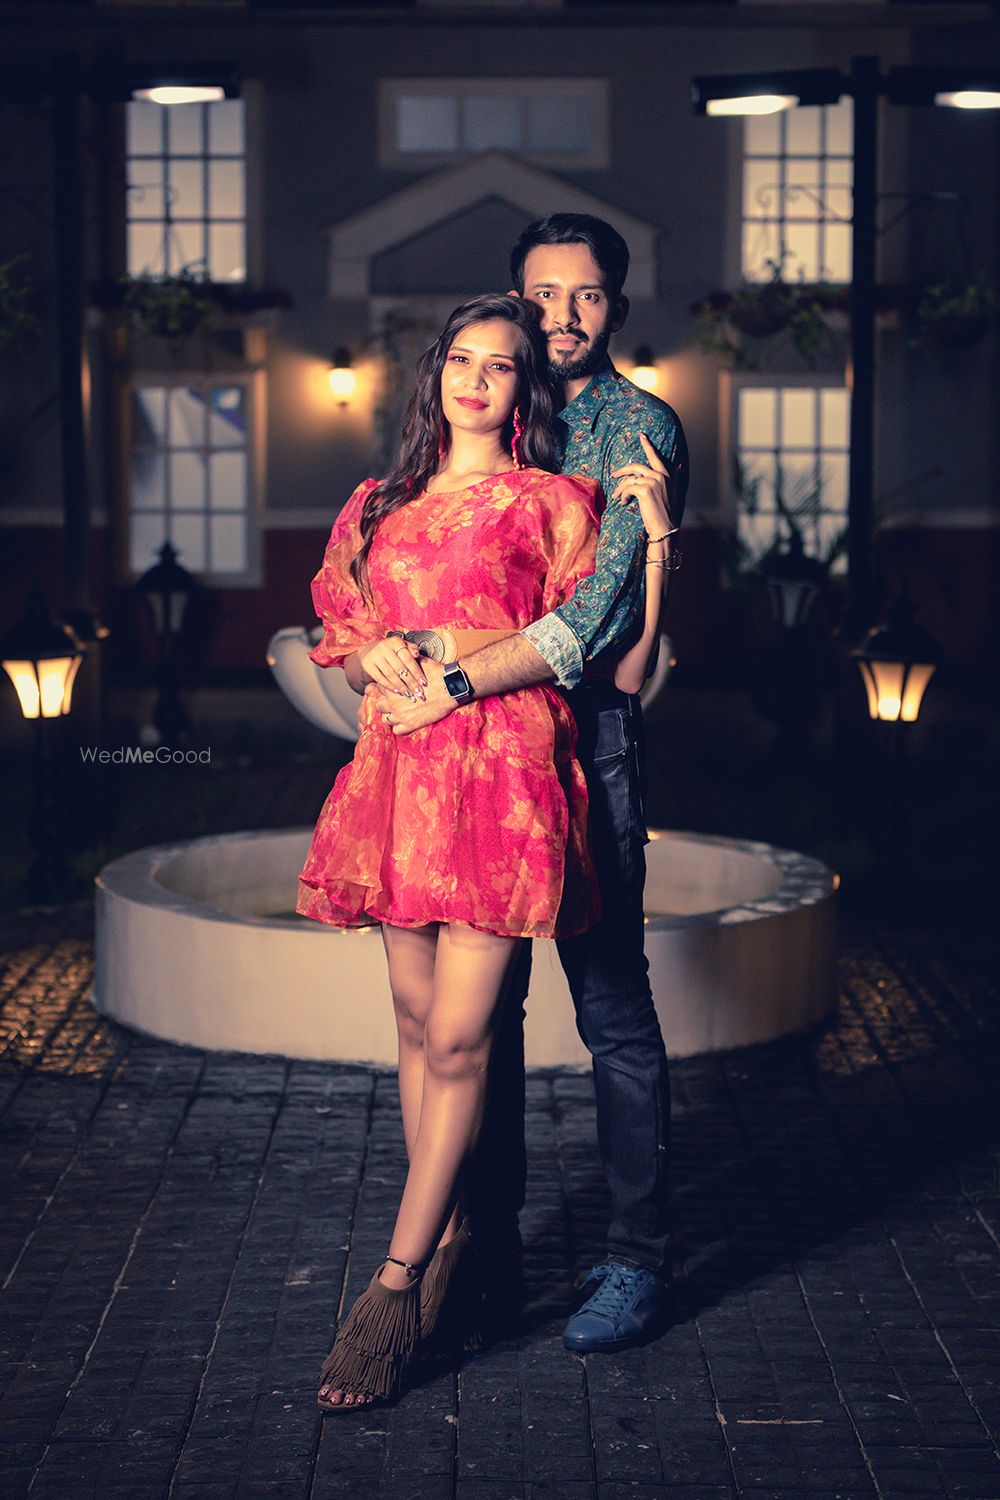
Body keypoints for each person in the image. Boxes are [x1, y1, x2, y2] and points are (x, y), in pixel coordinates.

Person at [375, 214, 688, 1355]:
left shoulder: (634, 426)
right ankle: (484, 1251)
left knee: (610, 1005)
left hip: (583, 739)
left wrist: (451, 674)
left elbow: (594, 624)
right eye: (542, 294)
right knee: (482, 1020)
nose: (563, 314)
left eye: (587, 294)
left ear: (617, 306)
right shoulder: (492, 406)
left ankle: (637, 1258)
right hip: (475, 754)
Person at [297, 294, 606, 1411]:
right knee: (420, 1027)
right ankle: (457, 1237)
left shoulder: (551, 502)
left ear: (525, 389)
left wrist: (435, 642)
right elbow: (339, 628)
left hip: (500, 776)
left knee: (467, 1038)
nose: (476, 379)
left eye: (501, 365)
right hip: (400, 775)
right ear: (436, 374)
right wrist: (373, 656)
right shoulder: (378, 503)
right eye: (461, 360)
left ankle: (395, 1282)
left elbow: (573, 637)